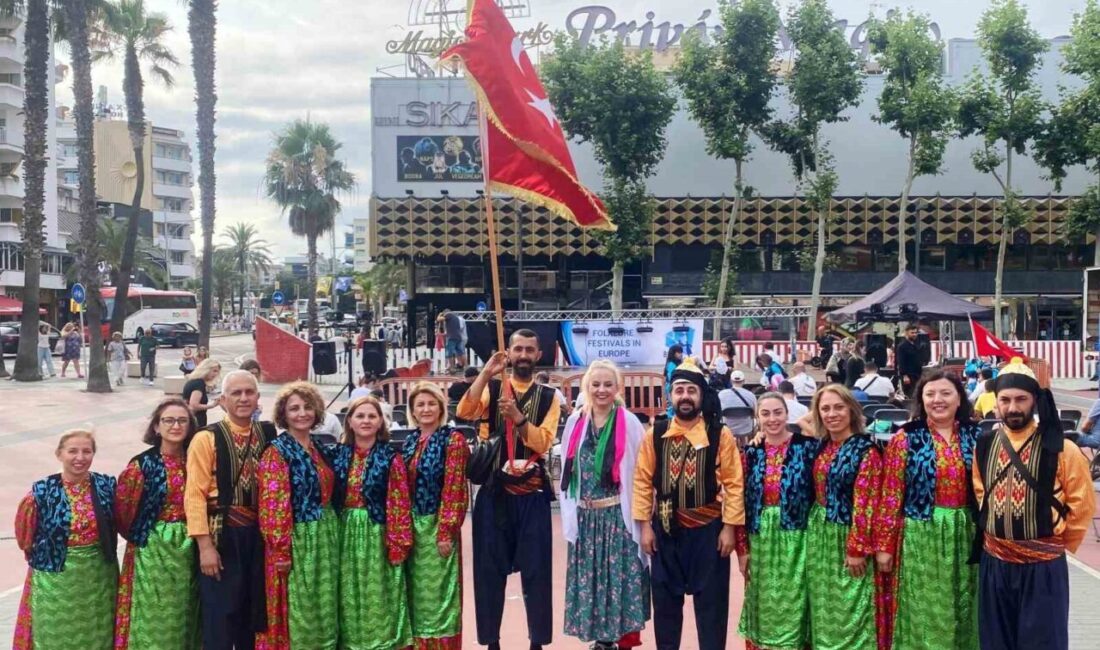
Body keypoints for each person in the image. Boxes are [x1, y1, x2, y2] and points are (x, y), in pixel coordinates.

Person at [973, 358, 1095, 650]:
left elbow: (1082, 505)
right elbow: (982, 495)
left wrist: (1051, 546)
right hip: (995, 564)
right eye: (1005, 400)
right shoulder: (985, 444)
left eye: (1021, 399)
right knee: (995, 640)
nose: (1013, 407)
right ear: (996, 402)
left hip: (1042, 568)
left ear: (1035, 401)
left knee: (1042, 641)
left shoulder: (1062, 449)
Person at [456, 329, 561, 650]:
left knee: (537, 569)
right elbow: (464, 412)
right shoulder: (494, 387)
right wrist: (486, 372)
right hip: (494, 492)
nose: (524, 355)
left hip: (531, 493)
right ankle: (491, 640)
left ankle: (537, 641)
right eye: (518, 349)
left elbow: (543, 441)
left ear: (539, 354)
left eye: (530, 350)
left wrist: (517, 419)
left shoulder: (549, 396)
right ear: (510, 353)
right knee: (488, 570)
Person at [633, 358, 743, 650]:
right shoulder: (654, 434)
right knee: (666, 608)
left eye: (691, 390)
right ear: (670, 395)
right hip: (665, 532)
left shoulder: (721, 435)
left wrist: (729, 528)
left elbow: (734, 483)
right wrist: (645, 527)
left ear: (701, 395)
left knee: (712, 607)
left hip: (709, 532)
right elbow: (643, 482)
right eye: (679, 390)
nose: (685, 396)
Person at [874, 369, 980, 649]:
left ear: (959, 399)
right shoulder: (905, 438)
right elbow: (891, 494)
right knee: (925, 605)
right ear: (921, 399)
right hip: (921, 533)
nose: (938, 400)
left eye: (946, 393)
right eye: (930, 394)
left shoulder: (977, 435)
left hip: (967, 533)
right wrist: (885, 544)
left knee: (966, 603)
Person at [560, 360, 650, 649]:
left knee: (619, 582)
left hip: (616, 517)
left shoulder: (630, 423)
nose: (601, 390)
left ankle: (618, 640)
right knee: (593, 582)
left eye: (607, 384)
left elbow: (640, 473)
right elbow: (566, 470)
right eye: (595, 384)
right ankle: (600, 640)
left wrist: (642, 519)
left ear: (618, 388)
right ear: (587, 387)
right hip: (586, 518)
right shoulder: (575, 423)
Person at [185, 370, 277, 650]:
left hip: (259, 537)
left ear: (258, 398)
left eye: (249, 392)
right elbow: (194, 495)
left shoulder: (268, 433)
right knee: (220, 615)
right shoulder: (206, 438)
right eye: (236, 393)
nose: (243, 398)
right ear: (223, 400)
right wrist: (204, 546)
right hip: (221, 537)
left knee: (253, 614)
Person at [255, 382, 341, 649]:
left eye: (307, 407)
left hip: (326, 537)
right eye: (294, 408)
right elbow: (273, 506)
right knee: (299, 606)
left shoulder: (319, 448)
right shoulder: (277, 452)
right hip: (298, 539)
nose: (302, 413)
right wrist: (281, 550)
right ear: (284, 414)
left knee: (324, 604)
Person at [13, 430, 117, 650]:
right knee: (53, 632)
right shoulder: (42, 491)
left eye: (86, 451)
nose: (80, 457)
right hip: (55, 576)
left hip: (98, 576)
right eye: (72, 451)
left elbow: (123, 519)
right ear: (59, 454)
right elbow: (25, 536)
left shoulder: (107, 486)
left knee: (97, 633)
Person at [115, 398, 201, 649]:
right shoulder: (141, 466)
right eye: (168, 420)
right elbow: (123, 511)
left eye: (182, 420)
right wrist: (149, 536)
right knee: (153, 612)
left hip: (193, 545)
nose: (176, 426)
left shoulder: (197, 460)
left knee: (186, 611)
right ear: (156, 426)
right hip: (152, 550)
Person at [737, 392, 817, 650]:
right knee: (764, 598)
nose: (773, 419)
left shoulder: (808, 448)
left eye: (778, 412)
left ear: (787, 414)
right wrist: (742, 548)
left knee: (798, 596)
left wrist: (803, 424)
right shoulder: (750, 453)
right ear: (757, 418)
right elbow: (740, 501)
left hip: (798, 534)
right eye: (766, 413)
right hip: (760, 535)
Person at [333, 395, 414, 648]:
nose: (366, 421)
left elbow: (399, 501)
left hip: (376, 531)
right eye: (360, 416)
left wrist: (398, 542)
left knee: (376, 591)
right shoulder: (337, 455)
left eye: (372, 416)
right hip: (343, 531)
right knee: (346, 591)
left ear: (381, 422)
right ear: (350, 422)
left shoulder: (391, 458)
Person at [806, 384, 882, 650]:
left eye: (838, 407)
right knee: (824, 605)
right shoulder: (823, 446)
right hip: (819, 536)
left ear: (852, 410)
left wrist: (857, 548)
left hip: (847, 535)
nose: (832, 414)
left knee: (851, 606)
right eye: (824, 408)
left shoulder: (866, 451)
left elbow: (866, 504)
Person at [402, 382, 470, 648]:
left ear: (441, 408)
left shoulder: (452, 440)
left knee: (440, 595)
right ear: (413, 411)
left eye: (432, 403)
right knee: (416, 595)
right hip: (412, 529)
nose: (426, 409)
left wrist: (446, 531)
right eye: (420, 404)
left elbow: (454, 487)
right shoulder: (409, 443)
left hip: (437, 526)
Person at [183, 359, 222, 430]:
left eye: (217, 372)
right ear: (206, 369)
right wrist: (212, 405)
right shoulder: (199, 383)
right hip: (196, 421)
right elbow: (194, 405)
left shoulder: (193, 381)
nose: (216, 374)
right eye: (214, 371)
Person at [719, 371, 757, 441]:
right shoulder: (751, 395)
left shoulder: (721, 394)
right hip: (746, 430)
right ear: (743, 381)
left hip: (727, 429)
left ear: (731, 381)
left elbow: (718, 412)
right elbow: (755, 414)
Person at [896, 325, 923, 398]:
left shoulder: (915, 345)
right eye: (912, 333)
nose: (914, 334)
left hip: (917, 374)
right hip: (909, 375)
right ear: (906, 333)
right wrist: (904, 375)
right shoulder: (902, 346)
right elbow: (901, 361)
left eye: (915, 333)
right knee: (911, 395)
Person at [664, 345, 684, 418]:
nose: (681, 354)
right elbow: (671, 377)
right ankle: (670, 422)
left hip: (676, 387)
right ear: (673, 353)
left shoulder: (679, 363)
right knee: (672, 406)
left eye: (681, 352)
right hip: (671, 387)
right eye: (678, 352)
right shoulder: (671, 364)